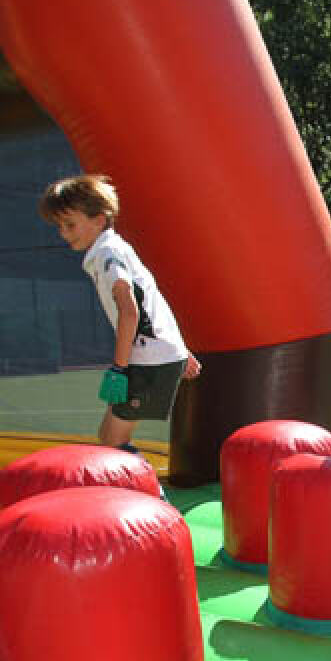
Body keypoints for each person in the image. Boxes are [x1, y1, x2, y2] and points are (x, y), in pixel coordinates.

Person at [39, 174, 201, 455]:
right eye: (60, 226)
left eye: (70, 224)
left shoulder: (108, 254)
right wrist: (179, 349)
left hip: (149, 360)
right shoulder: (113, 249)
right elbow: (151, 299)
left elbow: (129, 311)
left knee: (113, 443)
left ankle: (147, 484)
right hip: (156, 354)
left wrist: (119, 368)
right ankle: (141, 481)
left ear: (99, 220)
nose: (63, 233)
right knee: (108, 437)